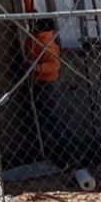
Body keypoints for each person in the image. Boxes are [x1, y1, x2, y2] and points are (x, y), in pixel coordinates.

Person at [24, 17, 66, 163]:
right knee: (42, 119)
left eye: (35, 24)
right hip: (38, 82)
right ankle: (50, 152)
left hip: (47, 84)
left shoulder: (46, 43)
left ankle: (62, 154)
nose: (31, 25)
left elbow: (55, 65)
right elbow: (30, 10)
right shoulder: (36, 38)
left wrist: (38, 68)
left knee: (51, 119)